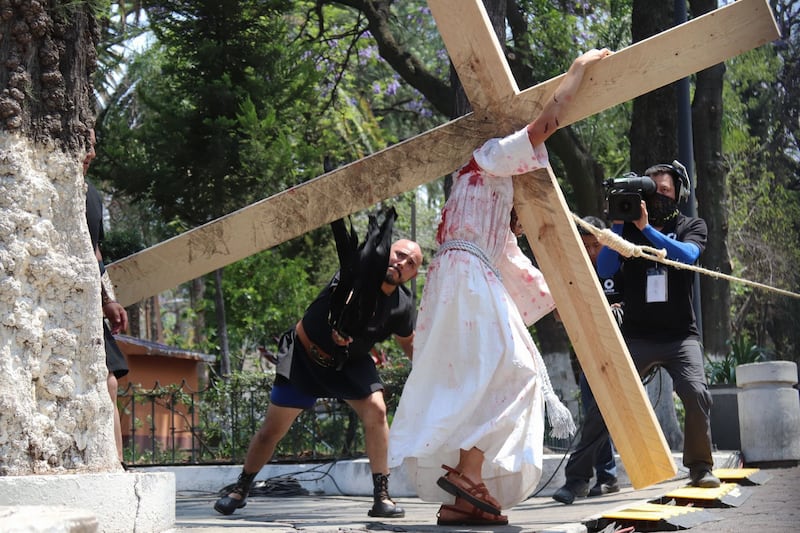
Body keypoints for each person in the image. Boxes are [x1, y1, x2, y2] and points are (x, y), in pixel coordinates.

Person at [387, 48, 612, 527]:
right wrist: (577, 70)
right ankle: (469, 473)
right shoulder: (488, 157)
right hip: (465, 283)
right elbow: (545, 124)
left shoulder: (482, 208)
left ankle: (466, 497)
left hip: (455, 286)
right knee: (520, 370)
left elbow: (522, 272)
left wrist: (569, 289)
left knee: (478, 380)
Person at [214, 238, 423, 518]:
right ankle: (240, 489)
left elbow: (408, 343)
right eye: (399, 255)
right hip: (305, 356)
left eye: (411, 263)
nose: (402, 263)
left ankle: (381, 496)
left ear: (413, 275)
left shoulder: (402, 304)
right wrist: (339, 329)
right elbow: (342, 303)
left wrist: (431, 373)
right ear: (387, 252)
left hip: (350, 363)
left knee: (377, 409)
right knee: (271, 432)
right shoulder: (355, 272)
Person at [552, 162, 720, 505]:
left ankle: (700, 467)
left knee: (695, 391)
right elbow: (606, 268)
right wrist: (617, 227)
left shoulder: (692, 225)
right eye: (652, 190)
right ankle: (577, 480)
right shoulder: (626, 232)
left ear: (679, 194)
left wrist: (648, 230)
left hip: (680, 336)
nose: (658, 196)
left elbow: (688, 256)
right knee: (604, 400)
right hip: (637, 336)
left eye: (666, 190)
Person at [84, 129, 130, 465]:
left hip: (85, 304)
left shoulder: (92, 195)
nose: (91, 153)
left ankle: (117, 467)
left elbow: (95, 251)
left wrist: (107, 298)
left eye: (94, 145)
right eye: (85, 144)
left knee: (108, 383)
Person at [572, 215, 622, 498]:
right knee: (594, 414)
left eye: (595, 245)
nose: (591, 253)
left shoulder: (619, 265)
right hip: (590, 355)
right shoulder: (574, 272)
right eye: (585, 246)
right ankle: (607, 476)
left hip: (626, 353)